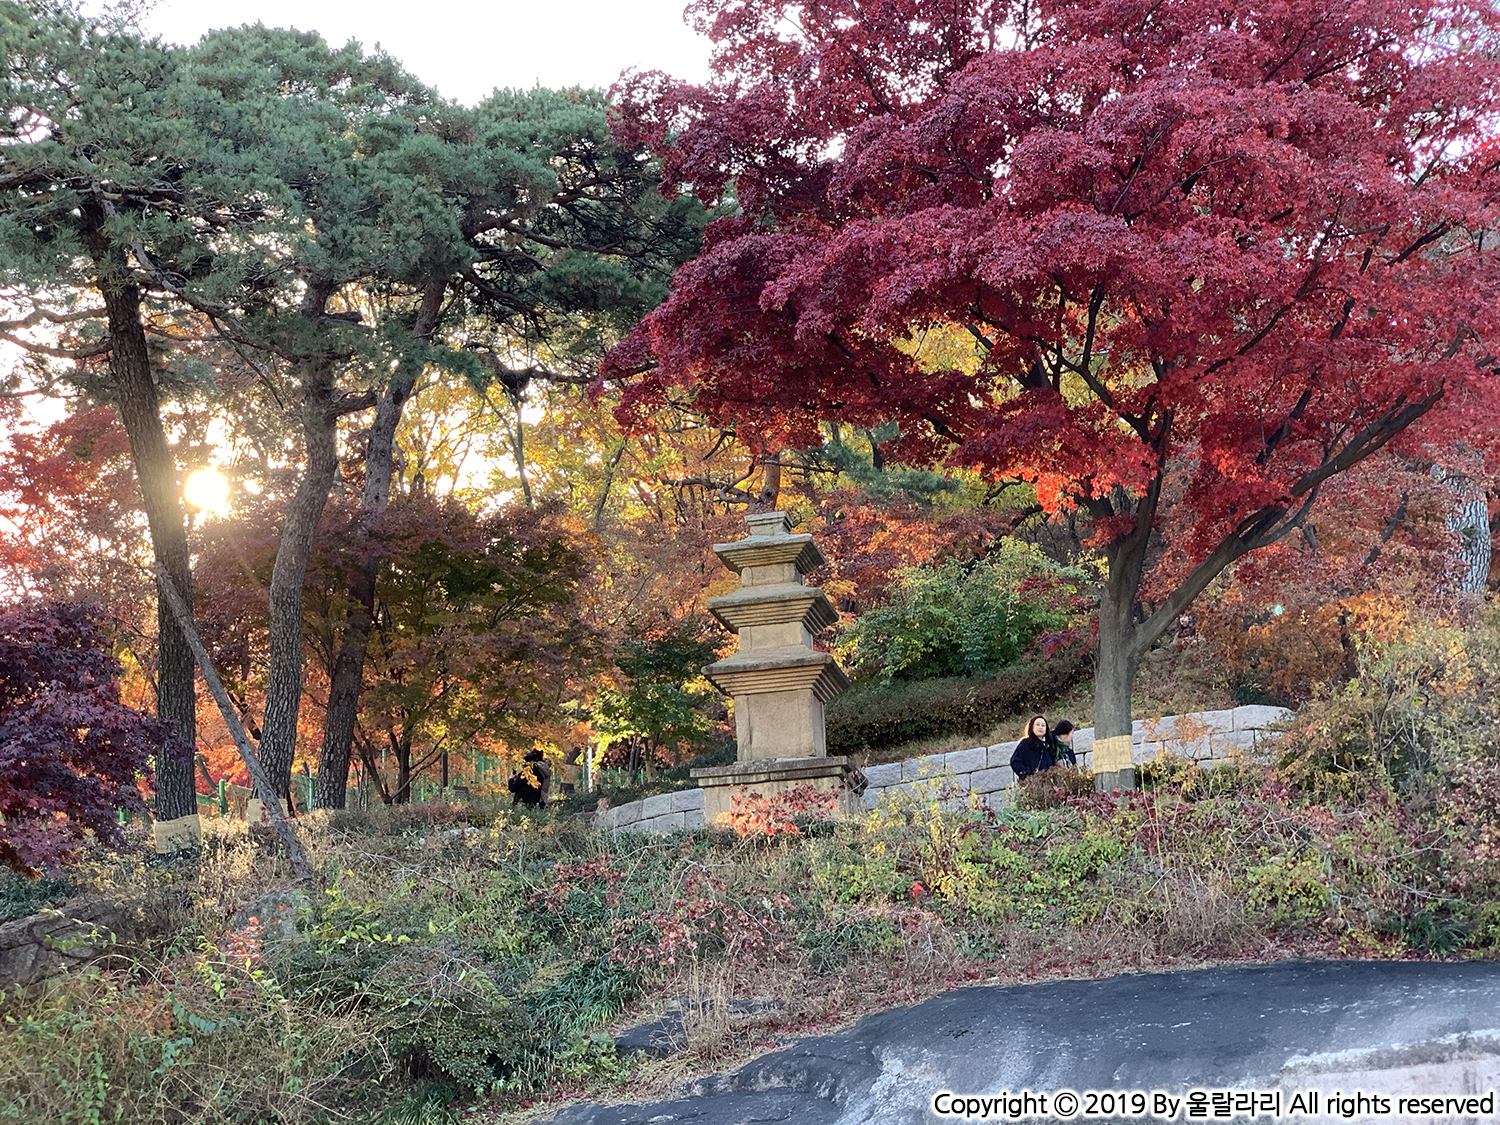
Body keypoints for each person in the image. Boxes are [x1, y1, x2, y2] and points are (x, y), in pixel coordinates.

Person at [1010, 715, 1057, 781]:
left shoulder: (1048, 746)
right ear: (1032, 727)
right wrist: (1028, 773)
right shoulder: (1025, 743)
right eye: (1037, 725)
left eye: (1043, 725)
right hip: (1030, 784)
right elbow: (1015, 761)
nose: (1040, 727)